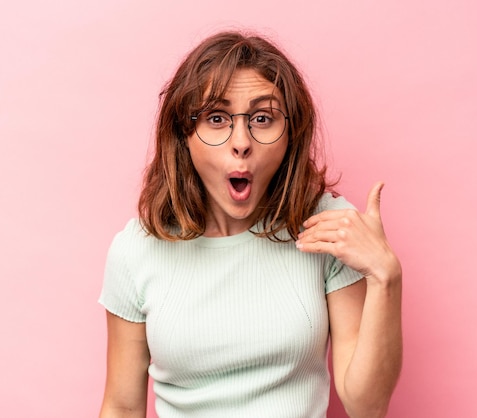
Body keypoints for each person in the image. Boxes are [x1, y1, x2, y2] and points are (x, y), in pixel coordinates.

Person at [98, 30, 402, 418]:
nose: (241, 141)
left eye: (262, 118)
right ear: (183, 134)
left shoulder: (328, 229)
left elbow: (367, 406)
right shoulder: (135, 250)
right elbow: (122, 406)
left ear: (291, 133)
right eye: (217, 118)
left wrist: (385, 276)